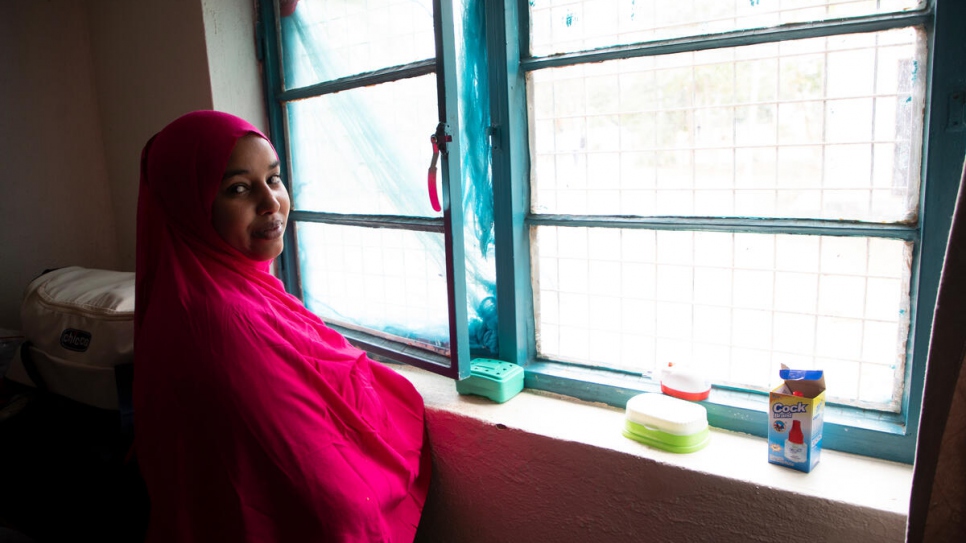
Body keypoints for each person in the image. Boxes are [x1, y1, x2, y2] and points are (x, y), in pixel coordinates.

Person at [133, 110, 431, 542]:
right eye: (238, 188)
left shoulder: (220, 289)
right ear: (190, 207)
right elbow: (332, 496)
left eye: (273, 179)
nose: (271, 202)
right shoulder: (220, 320)